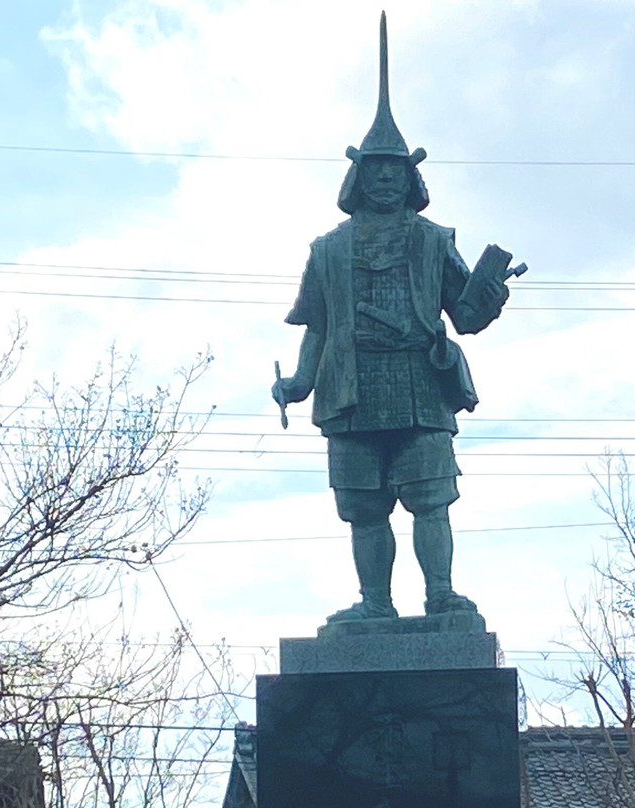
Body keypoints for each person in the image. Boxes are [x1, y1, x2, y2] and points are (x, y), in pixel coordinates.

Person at [272, 14, 512, 624]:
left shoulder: (434, 241)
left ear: (411, 178)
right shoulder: (327, 249)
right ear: (356, 178)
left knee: (432, 501)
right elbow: (317, 325)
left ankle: (441, 597)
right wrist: (299, 383)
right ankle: (375, 603)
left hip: (419, 385)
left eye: (394, 170)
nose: (384, 179)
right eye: (374, 170)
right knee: (364, 507)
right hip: (349, 393)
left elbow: (466, 315)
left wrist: (489, 290)